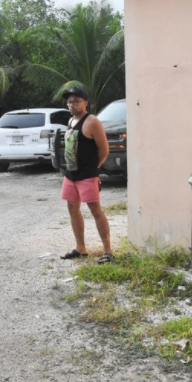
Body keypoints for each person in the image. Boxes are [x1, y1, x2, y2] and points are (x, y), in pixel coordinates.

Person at [58, 86, 113, 264]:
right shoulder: (71, 120)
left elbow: (104, 150)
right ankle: (80, 248)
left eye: (76, 101)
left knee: (95, 211)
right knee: (72, 209)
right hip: (70, 175)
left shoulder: (92, 122)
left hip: (87, 176)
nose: (72, 105)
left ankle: (107, 251)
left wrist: (93, 168)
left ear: (85, 103)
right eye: (69, 102)